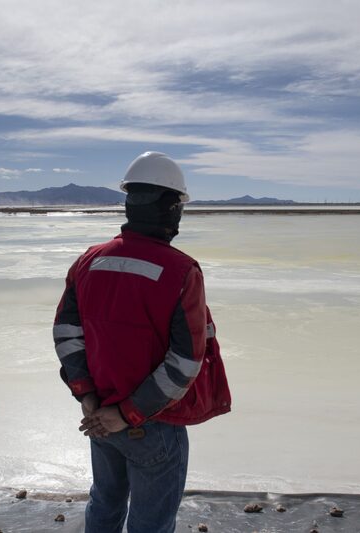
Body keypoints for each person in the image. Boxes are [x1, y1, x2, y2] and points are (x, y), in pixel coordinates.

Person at [53, 151, 231, 533]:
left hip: (99, 415)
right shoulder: (182, 271)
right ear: (170, 208)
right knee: (151, 522)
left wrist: (89, 398)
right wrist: (128, 414)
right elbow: (186, 361)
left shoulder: (90, 261)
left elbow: (67, 336)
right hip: (151, 424)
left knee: (104, 503)